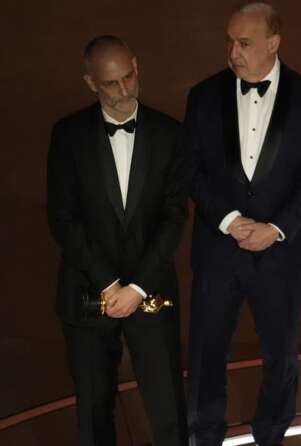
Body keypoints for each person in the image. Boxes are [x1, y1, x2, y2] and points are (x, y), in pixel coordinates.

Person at [183, 2, 301, 445]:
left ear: (273, 43)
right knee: (207, 356)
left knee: (280, 358)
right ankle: (205, 437)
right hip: (216, 252)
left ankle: (271, 436)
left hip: (279, 255)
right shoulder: (203, 95)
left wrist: (275, 228)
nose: (233, 52)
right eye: (229, 41)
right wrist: (229, 220)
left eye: (244, 43)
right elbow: (190, 170)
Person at [47, 35, 188, 446]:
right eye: (111, 84)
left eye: (129, 78)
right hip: (89, 294)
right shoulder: (68, 136)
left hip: (151, 292)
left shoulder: (170, 134)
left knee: (168, 413)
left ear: (137, 67)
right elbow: (64, 219)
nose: (125, 91)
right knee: (93, 414)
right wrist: (111, 286)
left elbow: (174, 216)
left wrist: (137, 287)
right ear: (91, 83)